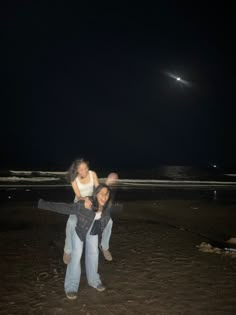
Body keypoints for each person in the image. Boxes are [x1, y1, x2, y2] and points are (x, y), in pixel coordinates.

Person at [38, 184, 120, 299]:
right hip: (80, 231)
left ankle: (94, 281)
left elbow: (106, 223)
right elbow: (65, 208)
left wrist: (103, 243)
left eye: (107, 194)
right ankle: (71, 287)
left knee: (94, 254)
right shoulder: (84, 205)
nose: (105, 197)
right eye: (102, 193)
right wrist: (43, 204)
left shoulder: (106, 210)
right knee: (76, 256)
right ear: (96, 194)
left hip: (93, 232)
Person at [64, 159, 115, 264]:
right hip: (80, 201)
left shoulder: (92, 174)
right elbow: (78, 196)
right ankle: (67, 250)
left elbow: (97, 190)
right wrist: (86, 200)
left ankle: (104, 247)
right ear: (76, 170)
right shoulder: (74, 179)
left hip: (94, 200)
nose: (85, 171)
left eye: (86, 168)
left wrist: (102, 198)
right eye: (81, 169)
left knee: (109, 222)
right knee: (71, 223)